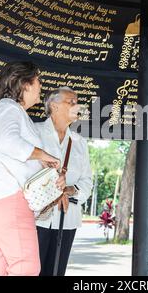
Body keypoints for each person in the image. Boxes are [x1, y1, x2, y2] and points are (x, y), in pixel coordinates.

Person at [0, 61, 63, 276]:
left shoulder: (5, 110)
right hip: (10, 198)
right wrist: (43, 154)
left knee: (0, 266)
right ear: (25, 83)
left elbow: (11, 150)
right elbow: (9, 142)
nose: (40, 87)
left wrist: (41, 162)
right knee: (25, 266)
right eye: (38, 80)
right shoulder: (9, 108)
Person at [35, 87, 92, 276]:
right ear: (54, 106)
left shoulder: (79, 142)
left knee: (57, 271)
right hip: (36, 217)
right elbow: (27, 173)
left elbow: (86, 182)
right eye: (72, 102)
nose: (78, 106)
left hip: (66, 219)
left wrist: (69, 190)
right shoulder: (34, 132)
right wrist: (54, 192)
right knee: (30, 270)